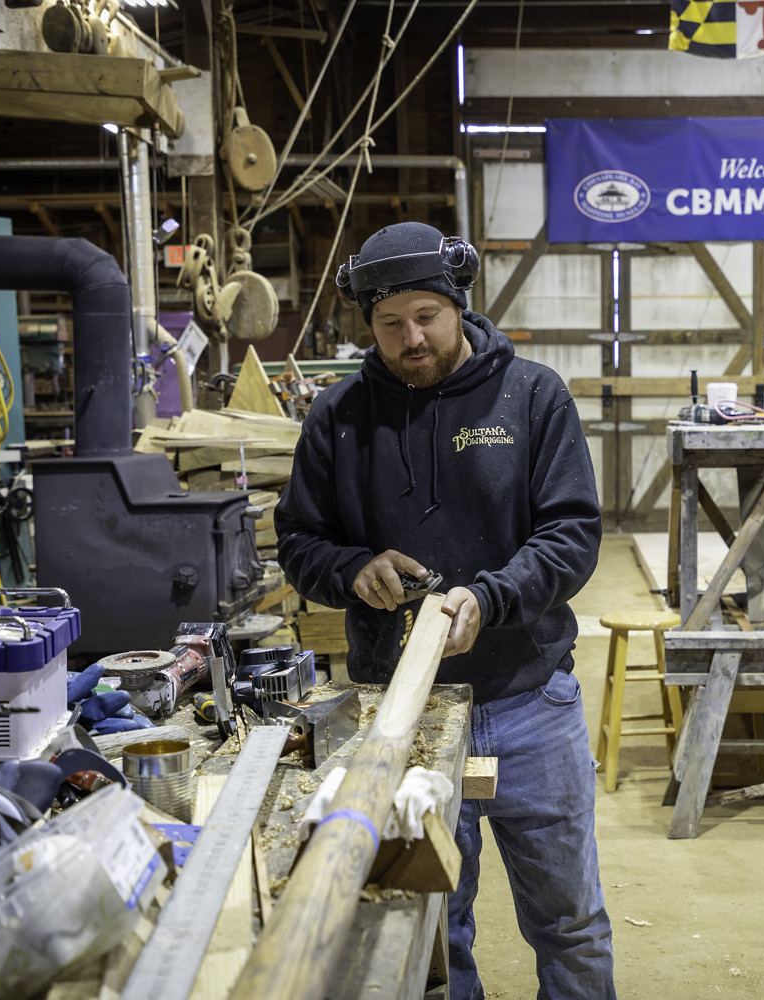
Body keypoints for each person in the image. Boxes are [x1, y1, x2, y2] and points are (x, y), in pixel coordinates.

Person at [273, 221, 617, 1000]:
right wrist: (353, 568)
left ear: (459, 304)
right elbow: (298, 538)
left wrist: (489, 596)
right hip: (405, 716)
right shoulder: (339, 416)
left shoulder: (531, 396)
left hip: (531, 700)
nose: (412, 339)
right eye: (390, 324)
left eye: (427, 315)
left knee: (569, 923)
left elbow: (571, 536)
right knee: (431, 929)